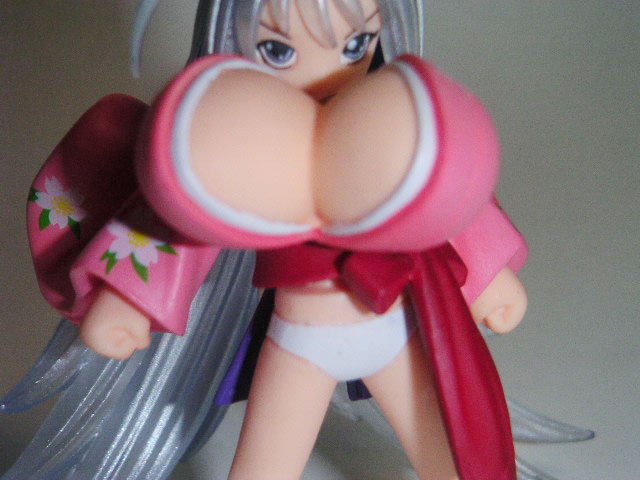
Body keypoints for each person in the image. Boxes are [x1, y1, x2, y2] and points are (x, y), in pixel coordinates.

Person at [4, 1, 588, 479]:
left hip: (392, 330)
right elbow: (178, 227)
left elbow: (443, 200)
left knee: (444, 448)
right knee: (266, 464)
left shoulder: (384, 126)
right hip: (299, 344)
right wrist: (126, 300)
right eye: (278, 50)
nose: (328, 74)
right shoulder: (240, 145)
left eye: (356, 44)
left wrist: (487, 277)